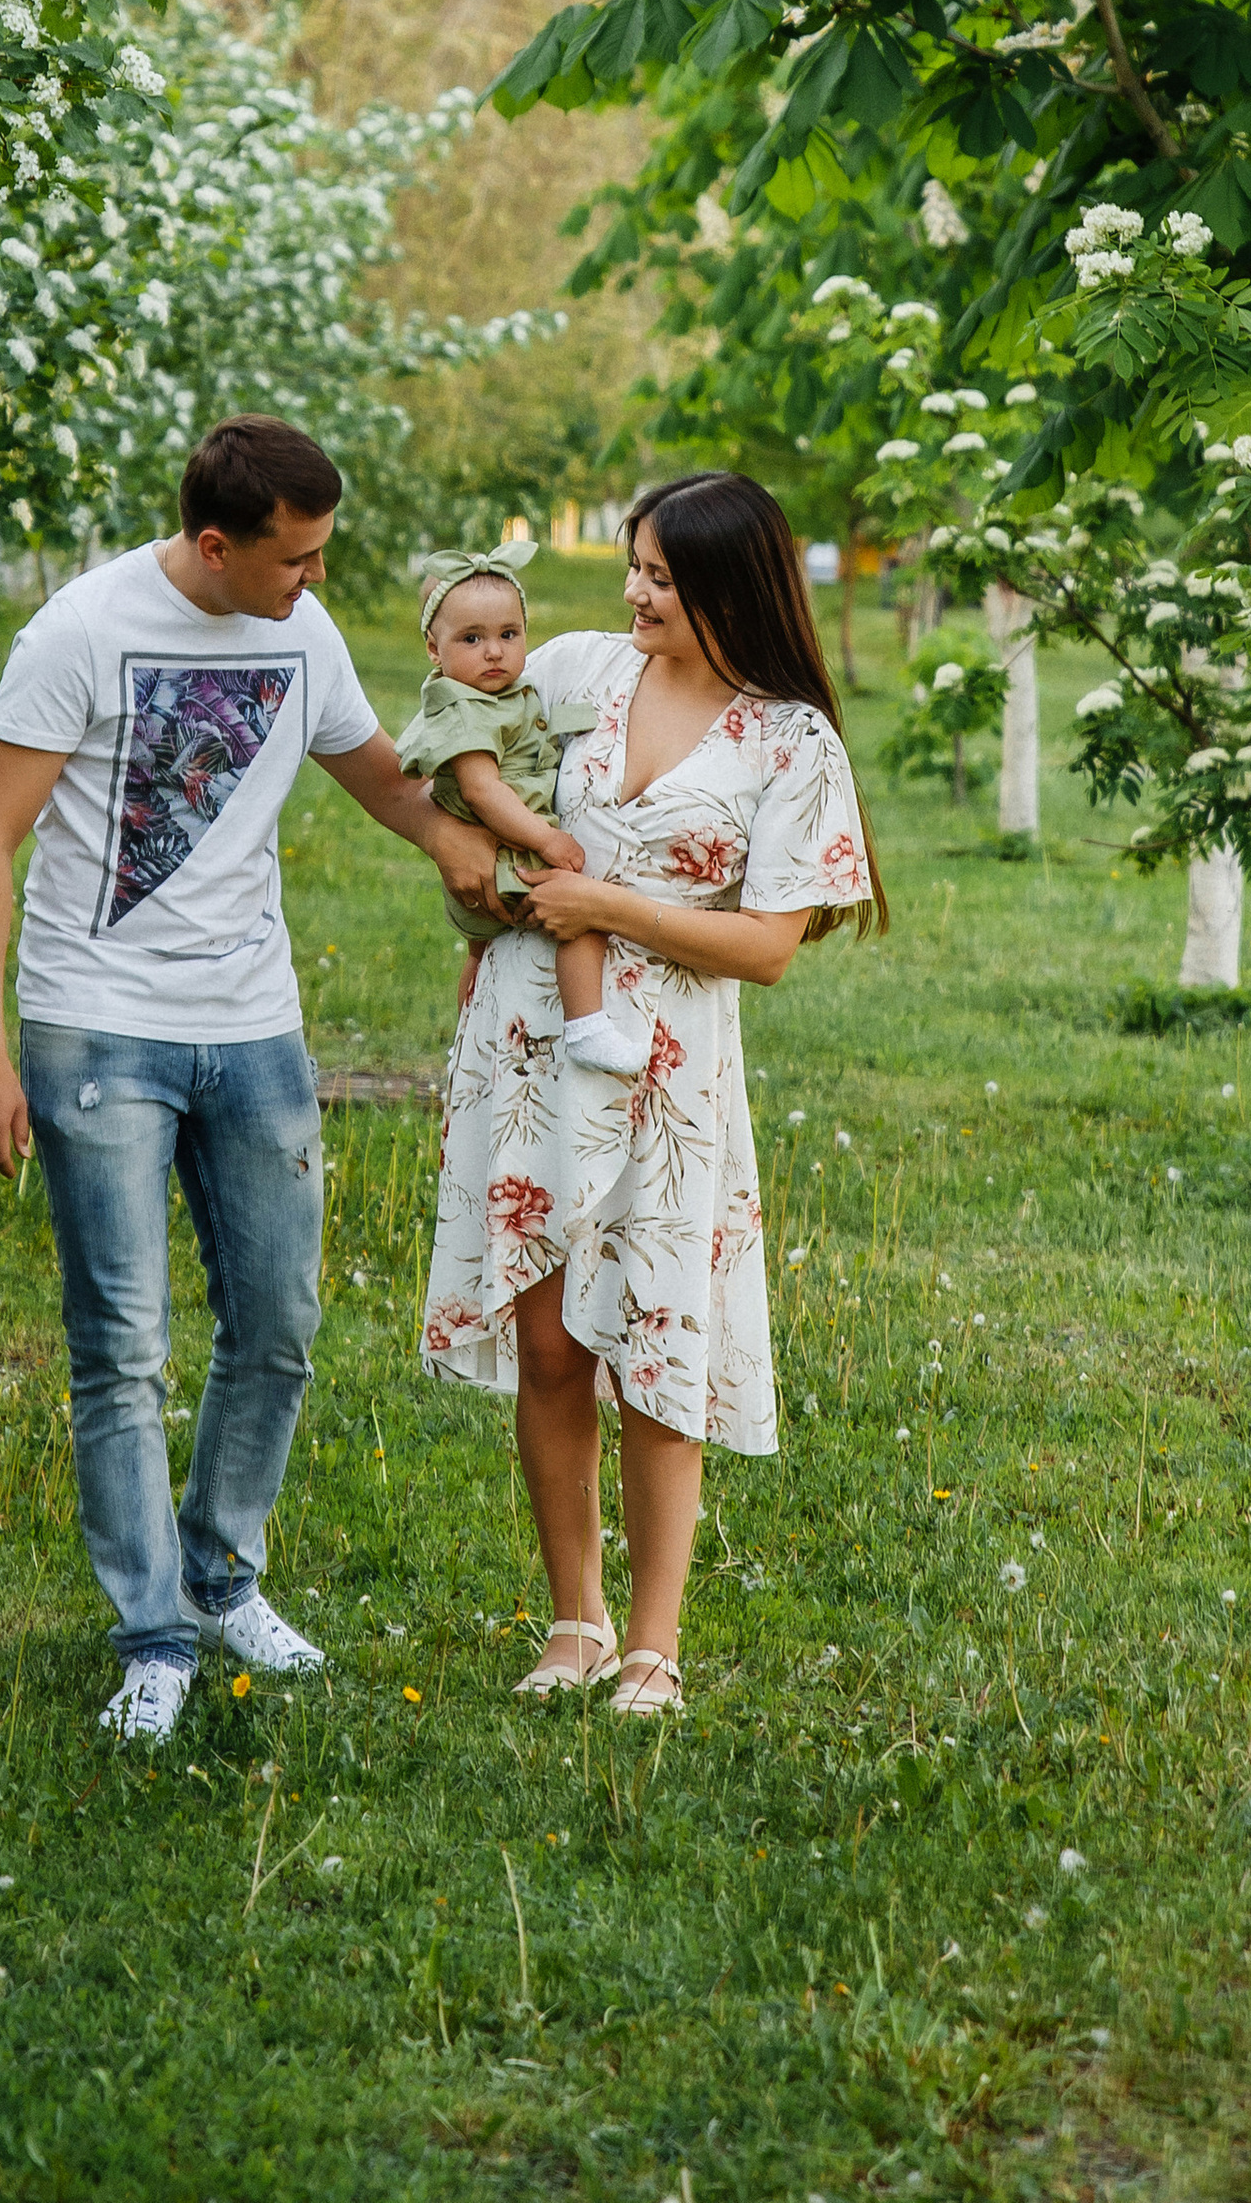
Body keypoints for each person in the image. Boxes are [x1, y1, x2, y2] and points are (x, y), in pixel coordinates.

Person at [0, 415, 499, 1745]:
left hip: (255, 1027)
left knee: (278, 1323)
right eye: (296, 559)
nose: (314, 583)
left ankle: (221, 1579)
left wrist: (466, 850)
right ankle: (151, 1639)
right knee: (121, 1345)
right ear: (214, 544)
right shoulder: (79, 633)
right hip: (96, 1029)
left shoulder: (300, 636)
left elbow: (379, 779)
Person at [418, 472, 881, 1718]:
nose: (632, 592)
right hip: (529, 1047)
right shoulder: (578, 673)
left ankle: (653, 1647)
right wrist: (475, 867)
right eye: (633, 566)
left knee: (657, 1337)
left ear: (729, 585)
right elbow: (448, 746)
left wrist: (608, 908)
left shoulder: (790, 742)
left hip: (668, 1067)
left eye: (660, 577)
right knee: (552, 1337)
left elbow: (771, 945)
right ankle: (574, 1618)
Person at [393, 546, 648, 1078]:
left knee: (481, 954)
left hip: (499, 856)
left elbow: (542, 725)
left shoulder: (503, 695)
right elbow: (484, 793)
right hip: (508, 852)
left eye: (509, 635)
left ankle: (468, 1028)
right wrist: (548, 840)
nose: (494, 652)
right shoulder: (462, 710)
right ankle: (586, 1026)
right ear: (433, 649)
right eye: (472, 638)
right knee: (586, 912)